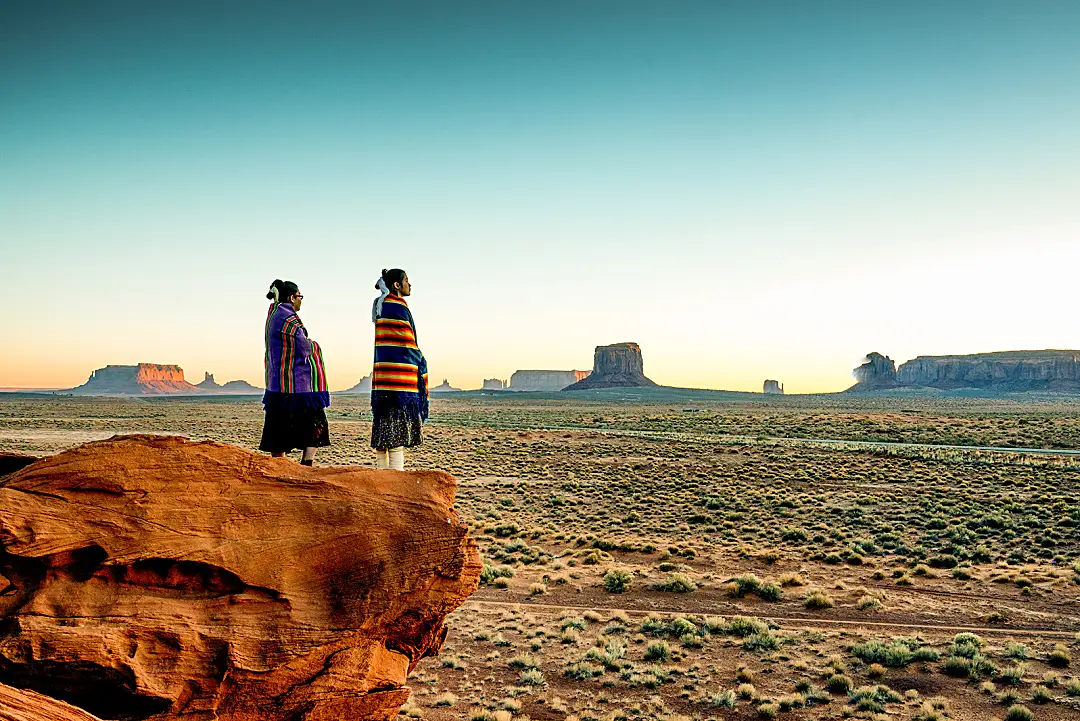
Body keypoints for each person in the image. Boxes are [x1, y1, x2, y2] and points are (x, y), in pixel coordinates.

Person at [260, 279, 330, 465]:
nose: (301, 301)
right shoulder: (288, 318)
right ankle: (306, 464)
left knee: (279, 426)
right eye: (300, 297)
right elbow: (303, 347)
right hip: (296, 384)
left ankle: (279, 465)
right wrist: (315, 346)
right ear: (292, 297)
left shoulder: (273, 315)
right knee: (315, 422)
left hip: (277, 383)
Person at [370, 268, 428, 470]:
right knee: (395, 437)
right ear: (396, 285)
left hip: (383, 381)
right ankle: (395, 482)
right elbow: (405, 344)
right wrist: (420, 360)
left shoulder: (381, 305)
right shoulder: (397, 307)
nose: (409, 284)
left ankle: (382, 482)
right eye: (406, 280)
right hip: (399, 383)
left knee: (383, 431)